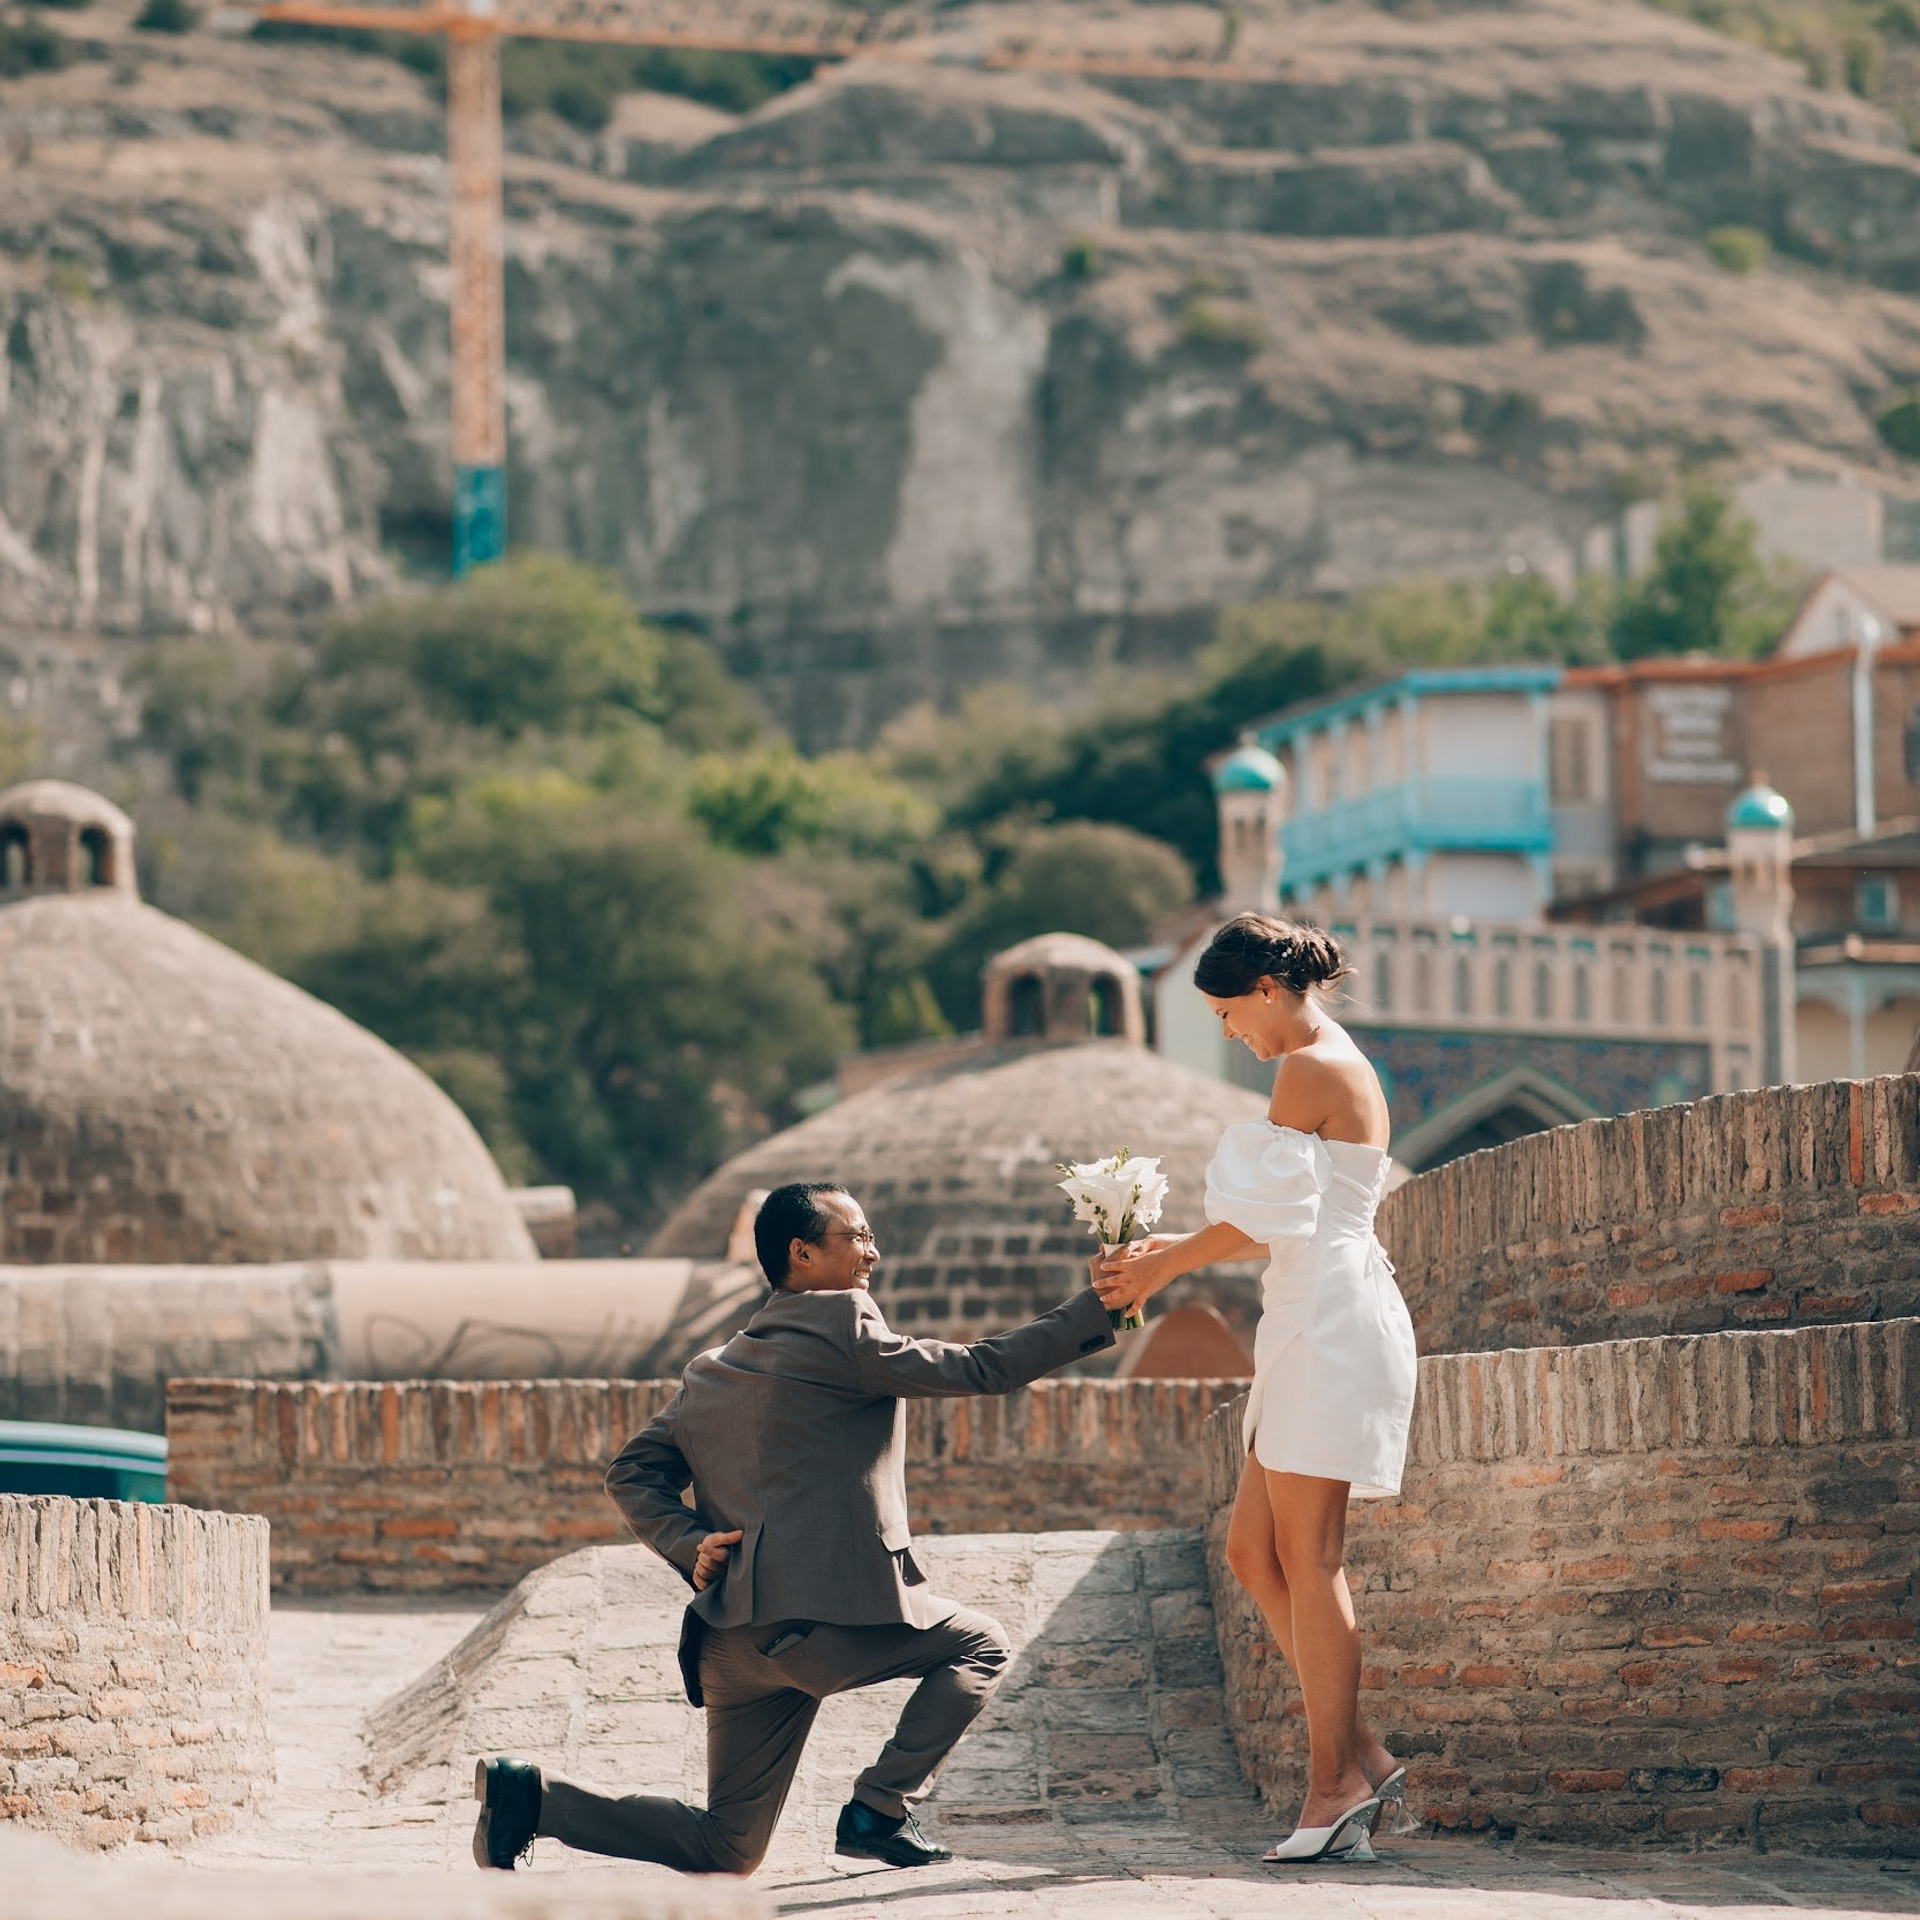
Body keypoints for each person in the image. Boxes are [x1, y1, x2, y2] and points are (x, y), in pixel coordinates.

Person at [473, 1180, 1115, 1877]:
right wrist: (1101, 1308)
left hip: (733, 1643)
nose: (873, 1251)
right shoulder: (843, 1325)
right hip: (818, 1625)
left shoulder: (711, 1369)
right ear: (802, 1253)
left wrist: (690, 1547)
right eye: (857, 1236)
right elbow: (984, 1369)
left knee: (730, 1849)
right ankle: (881, 1806)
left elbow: (630, 1473)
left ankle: (531, 1801)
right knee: (981, 1645)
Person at [1094, 912, 1418, 1866]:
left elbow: (1263, 1217)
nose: (1230, 1033)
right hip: (1305, 1314)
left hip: (1332, 1321)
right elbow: (1269, 1217)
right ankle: (1358, 1752)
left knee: (1310, 1558)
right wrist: (1170, 1256)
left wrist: (1160, 1273)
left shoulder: (1312, 1067)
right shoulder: (1313, 1061)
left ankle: (1332, 1784)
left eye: (1230, 1014)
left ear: (1269, 992)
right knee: (1249, 1549)